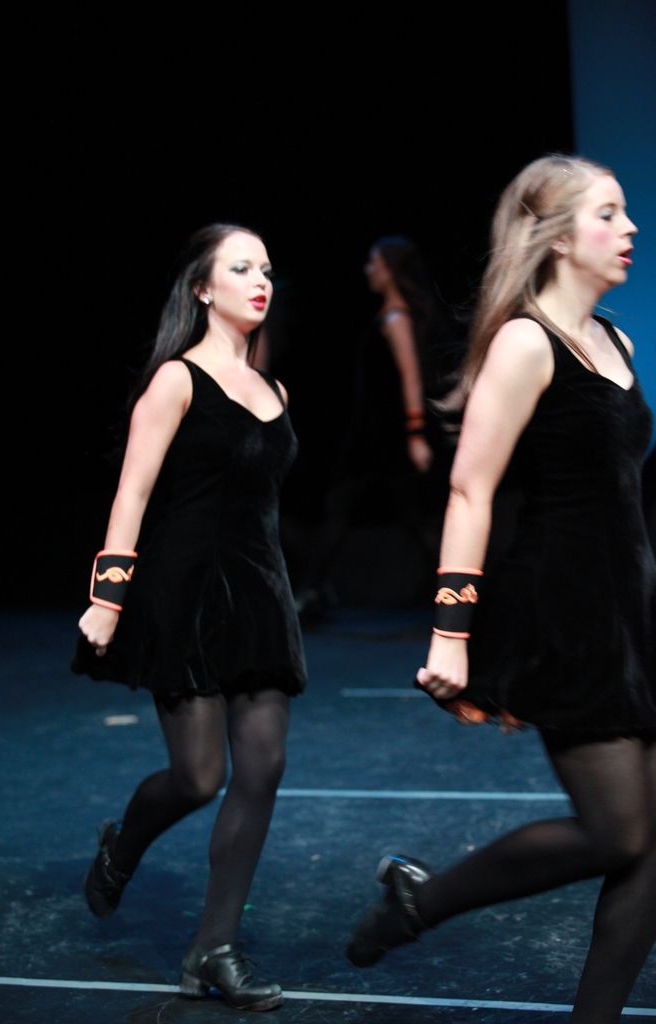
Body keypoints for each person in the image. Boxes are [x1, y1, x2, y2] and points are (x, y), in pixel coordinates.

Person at [346, 155, 655, 1023]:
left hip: (631, 611)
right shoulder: (525, 342)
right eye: (607, 213)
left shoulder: (617, 341)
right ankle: (422, 900)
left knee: (649, 846)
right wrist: (450, 633)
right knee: (616, 832)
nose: (629, 228)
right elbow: (469, 491)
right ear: (554, 236)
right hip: (566, 612)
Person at [73, 224, 307, 1013]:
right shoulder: (176, 379)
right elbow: (133, 491)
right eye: (241, 268)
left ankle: (213, 949)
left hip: (259, 598)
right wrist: (108, 597)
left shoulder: (275, 392)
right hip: (186, 597)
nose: (260, 280)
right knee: (199, 777)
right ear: (203, 288)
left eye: (266, 268)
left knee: (263, 768)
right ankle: (124, 843)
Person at [296, 236, 460, 617]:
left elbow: (410, 376)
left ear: (390, 269)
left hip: (386, 437)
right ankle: (314, 589)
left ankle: (456, 595)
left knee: (400, 515)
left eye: (374, 263)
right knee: (399, 515)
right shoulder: (393, 313)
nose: (368, 270)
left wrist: (415, 434)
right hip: (377, 435)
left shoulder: (396, 317)